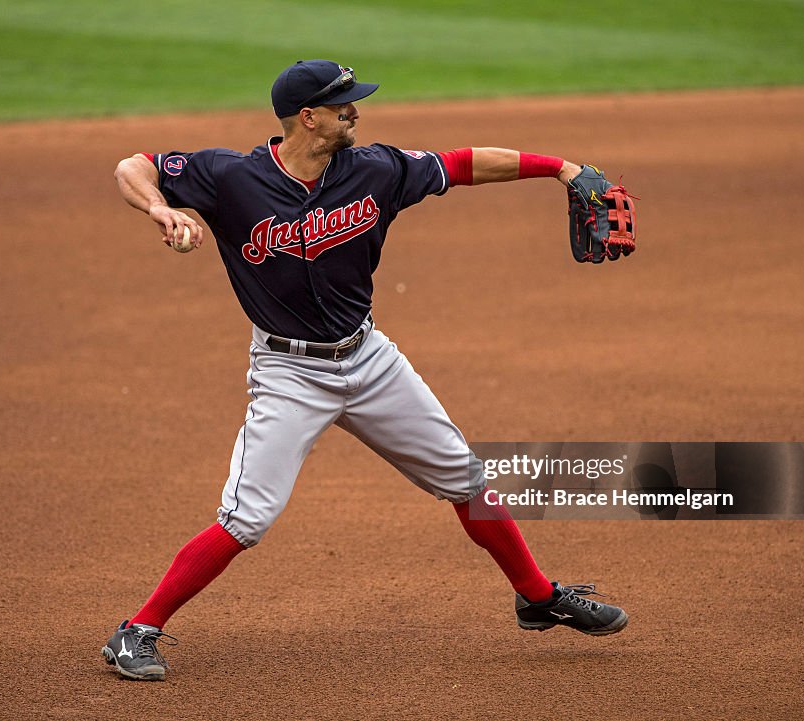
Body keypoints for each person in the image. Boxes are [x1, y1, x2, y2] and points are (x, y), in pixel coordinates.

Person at [103, 60, 628, 681]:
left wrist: (560, 168)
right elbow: (131, 166)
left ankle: (537, 598)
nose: (356, 111)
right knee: (247, 517)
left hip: (369, 358)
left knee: (465, 478)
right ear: (309, 117)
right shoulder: (230, 177)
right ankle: (135, 631)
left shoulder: (375, 169)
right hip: (288, 373)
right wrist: (161, 210)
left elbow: (459, 165)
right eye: (343, 103)